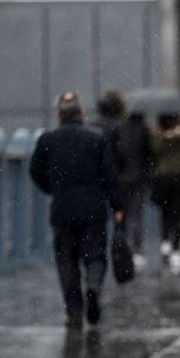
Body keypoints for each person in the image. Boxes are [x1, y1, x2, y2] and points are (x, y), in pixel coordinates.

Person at [30, 92, 123, 329]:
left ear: (59, 115)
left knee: (67, 261)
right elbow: (110, 176)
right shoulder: (96, 139)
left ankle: (74, 312)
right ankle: (93, 286)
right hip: (93, 209)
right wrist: (117, 206)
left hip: (62, 210)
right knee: (95, 256)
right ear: (82, 114)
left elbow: (35, 172)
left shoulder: (47, 140)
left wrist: (53, 189)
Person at [150, 112, 180, 272]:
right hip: (179, 177)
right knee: (177, 213)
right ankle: (175, 248)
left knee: (166, 213)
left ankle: (166, 242)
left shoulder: (158, 136)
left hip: (163, 177)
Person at [115, 112, 154, 264]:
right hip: (138, 178)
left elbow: (119, 154)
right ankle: (137, 248)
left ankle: (123, 246)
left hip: (124, 178)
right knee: (137, 214)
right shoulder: (144, 131)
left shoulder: (122, 130)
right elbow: (149, 155)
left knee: (123, 214)